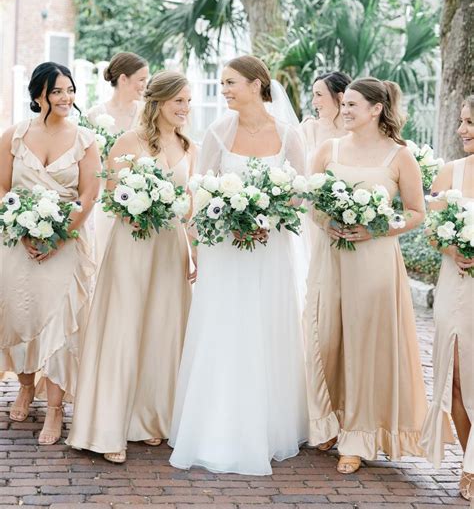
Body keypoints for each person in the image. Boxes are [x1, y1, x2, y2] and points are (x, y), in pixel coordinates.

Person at [169, 55, 309, 475]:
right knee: (225, 329)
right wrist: (220, 227)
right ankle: (217, 425)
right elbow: (202, 191)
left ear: (256, 84)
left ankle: (267, 426)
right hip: (227, 250)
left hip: (271, 250)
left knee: (266, 327)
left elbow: (301, 193)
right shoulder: (216, 132)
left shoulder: (288, 134)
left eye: (230, 82)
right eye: (222, 83)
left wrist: (269, 218)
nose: (224, 89)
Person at [67, 71, 196, 464]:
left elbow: (189, 200)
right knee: (123, 327)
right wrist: (135, 210)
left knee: (162, 328)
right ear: (157, 103)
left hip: (169, 246)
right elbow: (111, 194)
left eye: (188, 102)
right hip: (132, 244)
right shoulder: (128, 142)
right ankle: (107, 429)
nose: (185, 109)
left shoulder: (189, 145)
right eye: (179, 101)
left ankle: (150, 419)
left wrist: (195, 250)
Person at [305, 77, 427, 473]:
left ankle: (357, 437)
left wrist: (376, 227)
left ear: (377, 109)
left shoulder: (399, 156)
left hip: (374, 262)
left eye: (354, 105)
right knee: (325, 338)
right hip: (331, 258)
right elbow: (311, 200)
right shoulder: (328, 149)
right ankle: (327, 421)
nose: (345, 110)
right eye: (345, 104)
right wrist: (328, 221)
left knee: (364, 346)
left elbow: (416, 212)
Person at [0, 62, 100, 444]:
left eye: (70, 90)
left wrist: (59, 237)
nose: (66, 98)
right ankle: (26, 387)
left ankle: (56, 410)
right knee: (21, 317)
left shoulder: (85, 139)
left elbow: (89, 196)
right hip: (17, 243)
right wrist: (22, 230)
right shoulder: (14, 135)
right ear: (38, 94)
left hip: (66, 243)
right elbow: (2, 189)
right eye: (57, 91)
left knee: (60, 324)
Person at [420, 95, 474, 501]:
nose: (461, 130)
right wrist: (449, 247)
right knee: (455, 380)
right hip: (456, 285)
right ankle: (470, 464)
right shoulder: (449, 174)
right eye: (461, 122)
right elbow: (433, 230)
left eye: (470, 123)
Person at [86, 52, 149, 268]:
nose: (145, 85)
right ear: (123, 79)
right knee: (106, 260)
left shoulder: (146, 114)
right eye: (141, 79)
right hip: (108, 201)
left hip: (143, 201)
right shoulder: (94, 115)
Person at [300, 71, 352, 168]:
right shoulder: (309, 129)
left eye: (319, 94)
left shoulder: (358, 131)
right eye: (313, 95)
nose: (313, 102)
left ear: (340, 97)